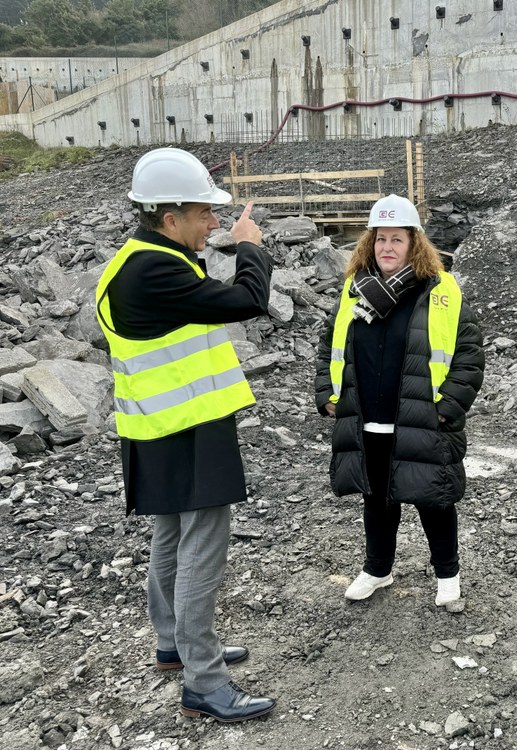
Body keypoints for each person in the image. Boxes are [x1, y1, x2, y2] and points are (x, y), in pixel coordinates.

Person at [95, 147, 276, 722]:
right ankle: (205, 682)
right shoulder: (156, 269)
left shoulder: (137, 259)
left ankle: (173, 644)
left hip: (158, 426)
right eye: (205, 213)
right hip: (187, 427)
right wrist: (249, 247)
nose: (214, 222)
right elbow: (247, 300)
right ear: (170, 219)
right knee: (202, 545)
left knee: (172, 535)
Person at [314, 194, 484, 606]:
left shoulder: (440, 290)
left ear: (414, 244)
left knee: (433, 499)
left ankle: (447, 574)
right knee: (376, 500)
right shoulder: (355, 290)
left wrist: (447, 408)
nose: (387, 247)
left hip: (421, 418)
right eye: (380, 238)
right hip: (368, 418)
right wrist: (326, 394)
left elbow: (469, 355)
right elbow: (328, 345)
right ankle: (378, 569)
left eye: (397, 239)